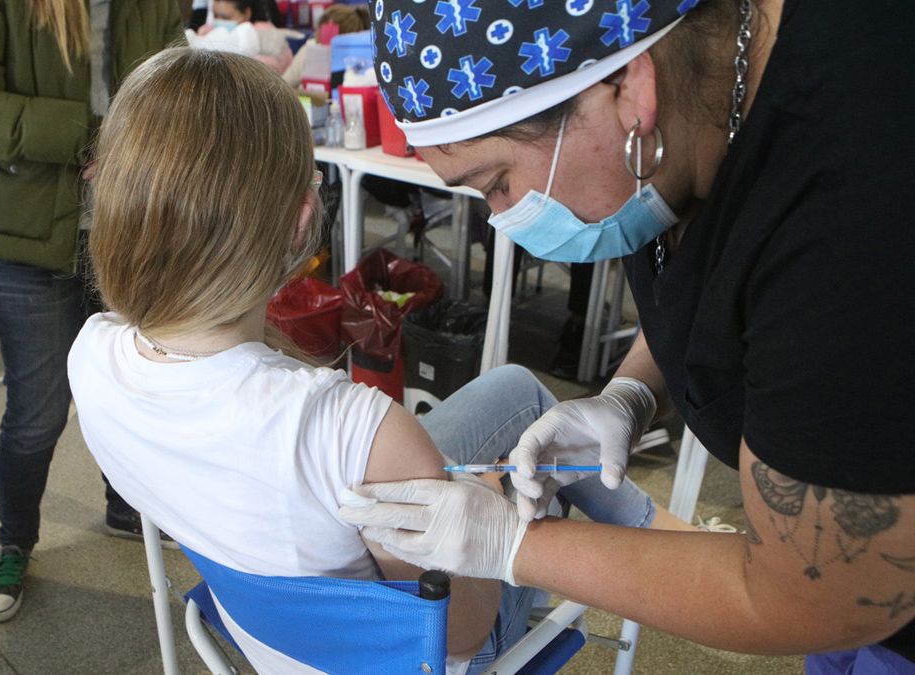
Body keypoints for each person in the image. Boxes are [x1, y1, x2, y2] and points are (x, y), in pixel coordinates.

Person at [69, 48, 691, 674]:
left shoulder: (91, 350)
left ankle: (652, 527)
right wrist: (496, 510)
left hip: (269, 635)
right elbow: (461, 636)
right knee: (530, 448)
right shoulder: (354, 428)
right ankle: (665, 545)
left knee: (515, 392)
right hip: (401, 657)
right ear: (300, 222)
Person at [339, 1, 915, 672]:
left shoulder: (855, 205)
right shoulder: (676, 132)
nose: (502, 219)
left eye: (497, 183)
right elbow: (715, 283)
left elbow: (819, 594)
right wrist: (633, 390)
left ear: (630, 90)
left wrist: (513, 545)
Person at [0, 0, 181, 624]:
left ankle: (126, 509)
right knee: (38, 411)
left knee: (137, 389)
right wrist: (91, 137)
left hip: (126, 228)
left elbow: (173, 83)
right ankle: (15, 543)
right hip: (26, 229)